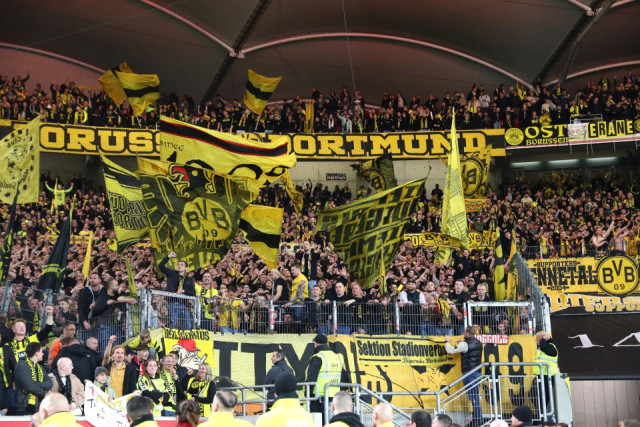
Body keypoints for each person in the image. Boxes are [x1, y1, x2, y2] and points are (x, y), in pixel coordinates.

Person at [445, 327, 483, 427]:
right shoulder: (478, 343)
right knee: (475, 396)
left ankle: (478, 419)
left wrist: (447, 342)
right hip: (477, 372)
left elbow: (450, 351)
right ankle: (477, 418)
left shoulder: (465, 344)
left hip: (469, 373)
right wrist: (463, 342)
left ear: (466, 333)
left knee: (473, 397)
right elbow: (469, 348)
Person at [306, 334, 345, 417]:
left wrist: (308, 395)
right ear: (326, 343)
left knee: (318, 421)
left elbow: (311, 378)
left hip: (318, 398)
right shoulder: (337, 357)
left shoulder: (317, 357)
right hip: (334, 397)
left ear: (316, 344)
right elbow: (344, 378)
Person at [159, 252, 196, 330]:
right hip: (172, 303)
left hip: (183, 305)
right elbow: (161, 266)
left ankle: (185, 337)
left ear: (186, 268)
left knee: (187, 325)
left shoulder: (189, 279)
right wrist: (168, 257)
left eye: (182, 265)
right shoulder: (172, 274)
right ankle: (171, 336)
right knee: (173, 323)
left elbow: (193, 292)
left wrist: (183, 291)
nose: (179, 266)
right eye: (178, 264)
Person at [15, 342, 53, 415]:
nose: (43, 354)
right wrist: (44, 393)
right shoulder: (22, 365)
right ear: (36, 353)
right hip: (23, 407)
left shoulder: (40, 367)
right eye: (41, 351)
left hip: (38, 406)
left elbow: (50, 383)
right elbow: (30, 387)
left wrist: (35, 384)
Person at [533, 331, 558, 420]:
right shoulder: (543, 348)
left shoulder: (551, 346)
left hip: (547, 376)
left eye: (538, 339)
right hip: (540, 376)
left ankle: (541, 417)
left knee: (544, 398)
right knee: (536, 396)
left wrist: (544, 338)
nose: (537, 342)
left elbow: (544, 347)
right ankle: (539, 416)